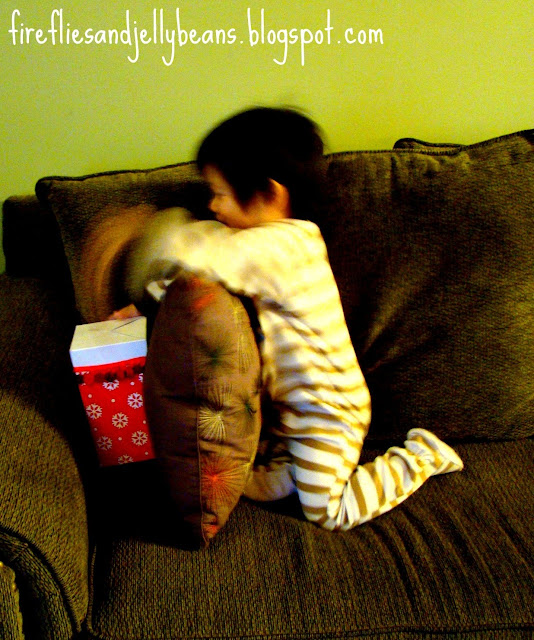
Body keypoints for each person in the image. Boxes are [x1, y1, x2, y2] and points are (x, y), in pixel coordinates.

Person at [128, 107, 464, 530]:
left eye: (220, 193)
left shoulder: (286, 247)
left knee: (328, 513)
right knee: (255, 486)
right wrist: (152, 304)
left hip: (329, 412)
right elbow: (202, 282)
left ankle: (420, 456)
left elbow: (205, 254)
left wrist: (153, 236)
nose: (212, 206)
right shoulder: (269, 245)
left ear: (269, 194)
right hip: (291, 413)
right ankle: (294, 471)